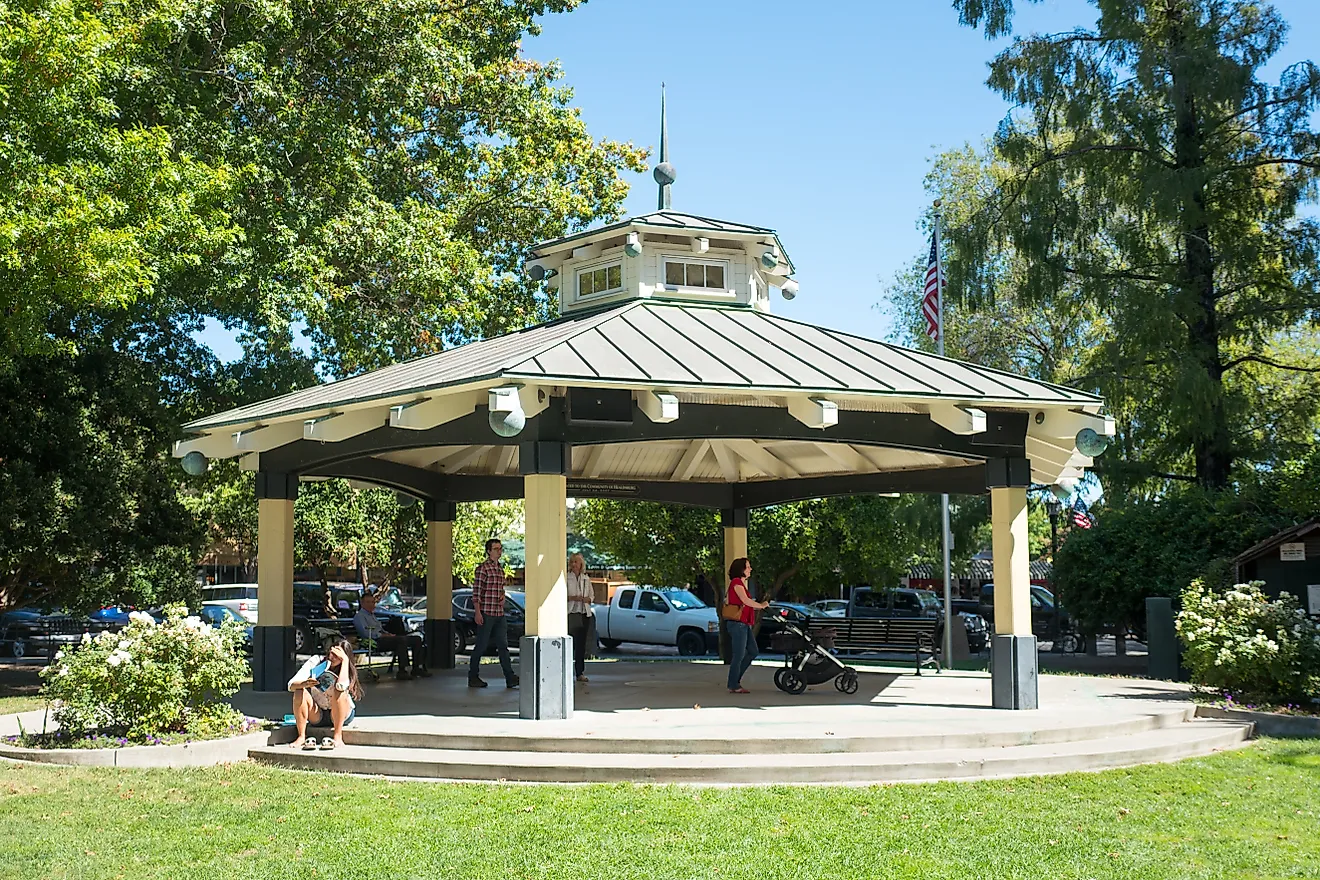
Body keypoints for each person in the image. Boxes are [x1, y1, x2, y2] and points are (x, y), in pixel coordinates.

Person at [288, 638, 362, 750]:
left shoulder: (346, 669)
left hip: (341, 713)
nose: (332, 657)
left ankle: (338, 736)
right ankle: (301, 736)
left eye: (337, 656)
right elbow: (291, 685)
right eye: (331, 653)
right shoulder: (316, 661)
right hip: (318, 712)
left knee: (339, 690)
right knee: (299, 689)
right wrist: (305, 683)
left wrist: (345, 662)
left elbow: (341, 686)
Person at [469, 537, 518, 689]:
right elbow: (476, 592)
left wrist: (502, 596)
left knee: (503, 645)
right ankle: (473, 676)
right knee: (481, 645)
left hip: (499, 613)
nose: (499, 551)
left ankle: (510, 677)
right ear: (489, 551)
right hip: (486, 612)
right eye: (496, 549)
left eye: (500, 548)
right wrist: (478, 612)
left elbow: (500, 588)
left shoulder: (500, 569)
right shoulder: (483, 569)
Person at [353, 590, 430, 681]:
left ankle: (416, 667)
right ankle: (402, 671)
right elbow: (366, 633)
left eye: (373, 602)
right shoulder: (360, 616)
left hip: (384, 638)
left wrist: (388, 634)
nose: (371, 604)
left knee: (417, 639)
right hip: (374, 641)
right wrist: (383, 636)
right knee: (401, 640)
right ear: (362, 603)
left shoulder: (372, 615)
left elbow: (380, 629)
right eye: (368, 602)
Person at [725, 557, 768, 694]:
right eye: (748, 567)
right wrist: (761, 606)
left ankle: (735, 681)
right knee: (739, 654)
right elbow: (746, 601)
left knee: (753, 651)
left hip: (744, 623)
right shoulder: (736, 582)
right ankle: (733, 684)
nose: (750, 569)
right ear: (741, 569)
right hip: (738, 624)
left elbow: (746, 601)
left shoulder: (741, 584)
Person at [565, 552, 594, 683]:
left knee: (581, 645)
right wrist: (572, 598)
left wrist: (586, 599)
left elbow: (591, 596)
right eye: (572, 562)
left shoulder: (585, 579)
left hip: (584, 613)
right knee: (570, 644)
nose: (574, 565)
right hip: (571, 613)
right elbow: (562, 595)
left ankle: (579, 672)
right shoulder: (566, 578)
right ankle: (566, 671)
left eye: (576, 562)